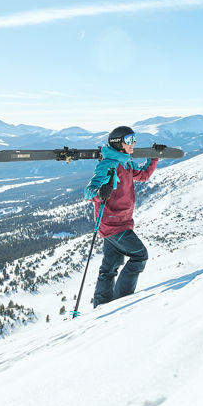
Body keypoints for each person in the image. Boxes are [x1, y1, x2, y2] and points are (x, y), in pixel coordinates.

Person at [83, 125, 157, 307]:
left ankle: (101, 306)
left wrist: (154, 157)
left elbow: (143, 175)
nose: (134, 143)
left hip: (119, 223)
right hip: (113, 225)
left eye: (134, 139)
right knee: (140, 256)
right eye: (129, 140)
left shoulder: (126, 163)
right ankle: (122, 301)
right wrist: (100, 193)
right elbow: (88, 191)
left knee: (110, 266)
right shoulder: (109, 165)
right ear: (119, 144)